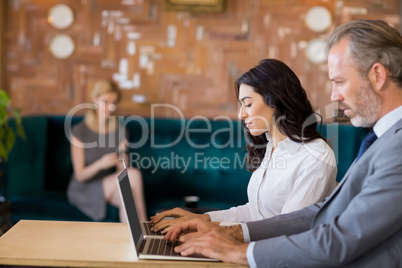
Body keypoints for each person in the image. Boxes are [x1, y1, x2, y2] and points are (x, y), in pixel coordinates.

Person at [164, 19, 402, 267]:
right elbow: (316, 214)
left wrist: (237, 252)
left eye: (339, 82)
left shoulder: (395, 148)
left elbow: (338, 240)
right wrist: (220, 228)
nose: (333, 96)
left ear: (377, 75)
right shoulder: (381, 140)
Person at [150, 59, 338, 233]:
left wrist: (212, 230)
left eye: (247, 104)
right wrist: (203, 219)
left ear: (276, 102)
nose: (241, 114)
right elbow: (256, 213)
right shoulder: (272, 146)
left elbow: (287, 229)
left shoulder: (315, 156)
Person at [67, 79, 147, 222]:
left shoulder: (121, 131)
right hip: (84, 188)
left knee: (127, 197)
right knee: (134, 175)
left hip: (109, 185)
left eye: (114, 102)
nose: (110, 107)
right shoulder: (79, 131)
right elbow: (80, 175)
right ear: (94, 100)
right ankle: (147, 234)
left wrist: (122, 158)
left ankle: (135, 242)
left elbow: (123, 173)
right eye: (105, 102)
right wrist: (101, 164)